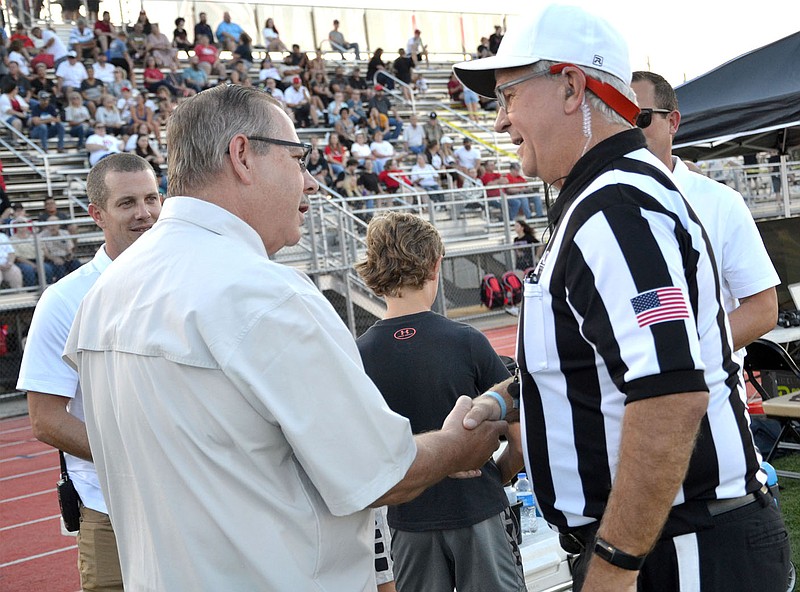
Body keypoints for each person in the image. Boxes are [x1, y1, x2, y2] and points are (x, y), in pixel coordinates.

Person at [62, 84, 507, 590]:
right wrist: (458, 446)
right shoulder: (264, 293)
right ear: (243, 156)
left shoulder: (105, 292)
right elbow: (381, 472)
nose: (311, 183)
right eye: (299, 159)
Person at [453, 5, 790, 591]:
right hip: (672, 541)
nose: (502, 121)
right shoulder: (607, 198)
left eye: (507, 95)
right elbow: (603, 364)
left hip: (677, 546)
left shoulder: (616, 207)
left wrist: (613, 564)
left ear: (569, 86)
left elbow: (671, 391)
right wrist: (503, 401)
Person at [356, 212, 527, 592]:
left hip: (407, 521)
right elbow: (519, 438)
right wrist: (494, 477)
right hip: (479, 511)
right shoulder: (466, 341)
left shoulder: (358, 355)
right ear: (436, 265)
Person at [19, 153, 161, 592]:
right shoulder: (65, 300)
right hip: (110, 510)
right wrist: (136, 458)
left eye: (152, 199)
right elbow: (45, 418)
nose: (145, 213)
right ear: (96, 214)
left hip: (196, 501)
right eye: (127, 203)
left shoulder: (187, 282)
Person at [630, 71, 779, 358]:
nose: (630, 129)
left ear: (672, 122)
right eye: (620, 118)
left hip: (712, 395)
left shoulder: (720, 202)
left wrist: (683, 359)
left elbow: (763, 309)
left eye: (641, 117)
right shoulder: (600, 208)